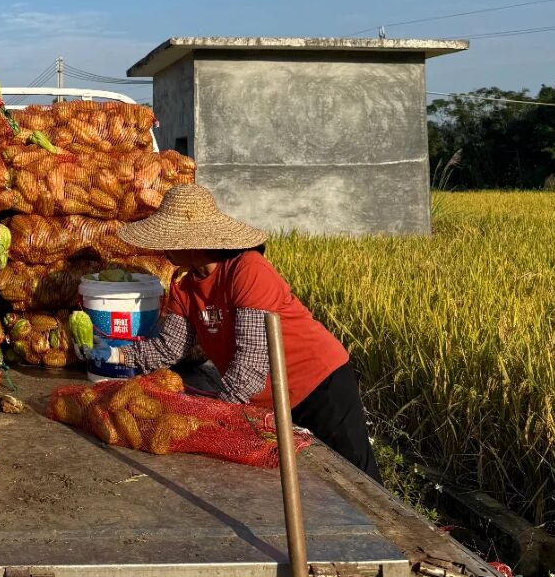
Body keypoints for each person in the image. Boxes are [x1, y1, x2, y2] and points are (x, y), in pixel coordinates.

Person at [84, 183, 381, 481]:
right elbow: (169, 348)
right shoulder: (184, 286)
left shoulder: (247, 270)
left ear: (194, 242)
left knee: (357, 480)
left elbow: (251, 363)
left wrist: (208, 415)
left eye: (168, 240)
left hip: (319, 384)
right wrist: (116, 353)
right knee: (308, 483)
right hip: (269, 399)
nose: (162, 249)